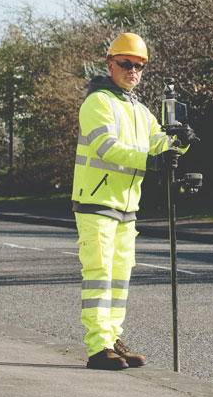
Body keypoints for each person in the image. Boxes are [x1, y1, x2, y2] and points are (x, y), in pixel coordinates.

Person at [71, 32, 189, 370]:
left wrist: (181, 142)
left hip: (126, 208)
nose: (133, 71)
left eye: (139, 66)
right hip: (97, 204)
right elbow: (106, 147)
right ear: (110, 64)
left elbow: (159, 144)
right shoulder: (98, 102)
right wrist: (153, 162)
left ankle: (112, 339)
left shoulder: (138, 109)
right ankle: (98, 348)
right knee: (99, 274)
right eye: (126, 64)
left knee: (120, 276)